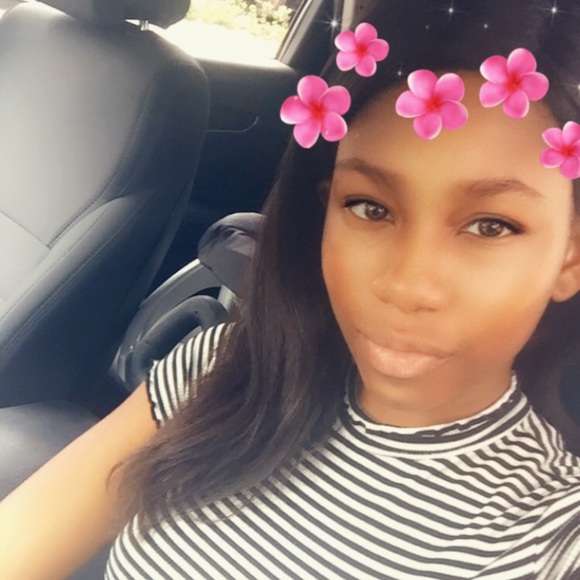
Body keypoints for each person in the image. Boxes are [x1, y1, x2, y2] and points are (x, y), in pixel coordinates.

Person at [2, 0, 580, 577]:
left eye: (491, 226)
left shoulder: (550, 535)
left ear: (569, 256)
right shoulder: (222, 368)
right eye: (369, 207)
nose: (407, 285)